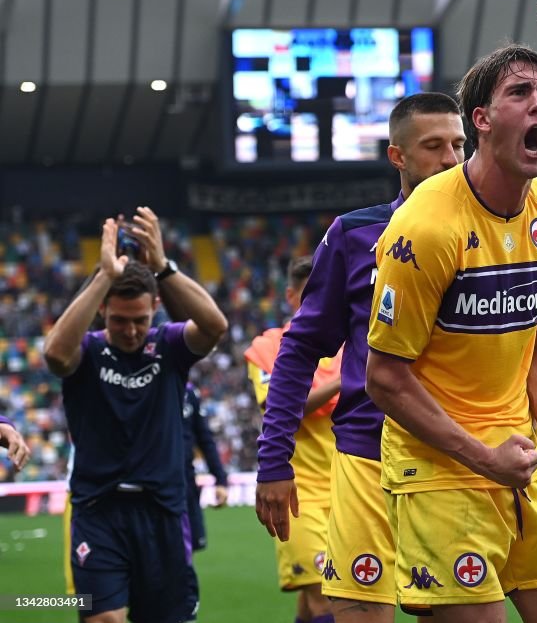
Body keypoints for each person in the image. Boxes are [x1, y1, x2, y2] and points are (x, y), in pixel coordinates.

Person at [256, 0, 537, 623]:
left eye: (455, 144)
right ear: (399, 157)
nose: (450, 157)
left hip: (503, 450)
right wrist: (275, 459)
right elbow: (306, 349)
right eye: (434, 147)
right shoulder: (364, 234)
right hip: (376, 451)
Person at [363, 40, 537, 621]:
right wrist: (482, 458)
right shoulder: (426, 228)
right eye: (519, 92)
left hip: (519, 458)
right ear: (483, 122)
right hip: (440, 469)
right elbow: (384, 380)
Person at [42, 207, 228, 623]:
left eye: (140, 320)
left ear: (155, 308)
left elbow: (215, 327)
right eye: (120, 320)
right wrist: (104, 276)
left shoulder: (168, 345)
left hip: (161, 511)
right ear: (103, 311)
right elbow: (54, 353)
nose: (130, 330)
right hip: (98, 510)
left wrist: (162, 266)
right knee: (103, 617)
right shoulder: (86, 351)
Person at [247, 256, 341, 623]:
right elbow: (278, 404)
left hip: (351, 488)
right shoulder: (268, 348)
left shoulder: (350, 344)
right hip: (299, 494)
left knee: (315, 597)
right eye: (308, 296)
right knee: (326, 597)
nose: (320, 304)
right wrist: (345, 380)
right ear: (290, 297)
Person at [181, 382, 229, 620]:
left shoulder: (189, 393)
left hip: (184, 487)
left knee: (185, 560)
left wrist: (220, 479)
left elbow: (205, 438)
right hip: (151, 487)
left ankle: (183, 613)